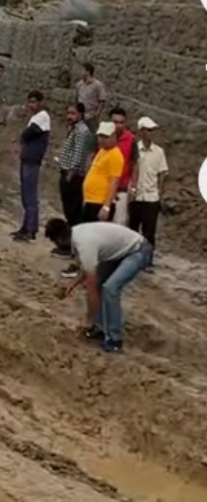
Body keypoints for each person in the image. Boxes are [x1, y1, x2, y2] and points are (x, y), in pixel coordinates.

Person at [45, 217, 153, 353]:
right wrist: (71, 285)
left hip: (138, 250)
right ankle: (99, 329)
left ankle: (114, 340)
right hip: (118, 252)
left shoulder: (84, 244)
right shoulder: (76, 234)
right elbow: (87, 268)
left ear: (59, 239)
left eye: (54, 241)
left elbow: (92, 293)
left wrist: (89, 321)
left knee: (110, 288)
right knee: (98, 284)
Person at [127, 116, 168, 268]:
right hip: (136, 196)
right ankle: (130, 259)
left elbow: (163, 173)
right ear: (141, 131)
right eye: (148, 130)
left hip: (151, 197)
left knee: (149, 232)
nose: (151, 133)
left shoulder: (159, 152)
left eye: (152, 130)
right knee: (132, 229)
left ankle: (147, 261)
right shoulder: (134, 150)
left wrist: (160, 192)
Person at [12, 91, 51, 243]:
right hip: (27, 159)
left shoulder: (42, 116)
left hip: (32, 160)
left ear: (41, 102)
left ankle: (30, 229)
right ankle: (26, 226)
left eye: (34, 102)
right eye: (30, 102)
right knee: (25, 195)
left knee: (30, 196)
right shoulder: (36, 117)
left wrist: (21, 138)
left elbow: (29, 133)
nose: (31, 105)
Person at [56, 101, 96, 235]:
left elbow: (78, 155)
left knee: (73, 211)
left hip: (74, 176)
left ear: (81, 114)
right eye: (68, 113)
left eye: (73, 113)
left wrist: (69, 175)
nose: (69, 116)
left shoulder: (81, 131)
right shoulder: (74, 129)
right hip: (69, 173)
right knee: (70, 209)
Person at [81, 120, 124, 223]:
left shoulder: (115, 155)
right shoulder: (102, 151)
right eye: (100, 136)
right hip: (91, 201)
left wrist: (106, 206)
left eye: (105, 137)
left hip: (100, 202)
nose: (102, 140)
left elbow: (114, 182)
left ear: (113, 136)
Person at [110, 107, 138, 224]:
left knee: (119, 222)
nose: (118, 126)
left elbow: (135, 163)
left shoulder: (131, 139)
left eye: (121, 122)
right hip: (103, 187)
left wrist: (133, 186)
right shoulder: (102, 137)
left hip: (122, 187)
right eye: (115, 122)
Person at [75, 64, 106, 131]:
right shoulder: (79, 85)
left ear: (88, 72)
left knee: (92, 133)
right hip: (81, 115)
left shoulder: (97, 85)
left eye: (82, 70)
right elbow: (77, 98)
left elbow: (102, 100)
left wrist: (97, 113)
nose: (80, 72)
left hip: (91, 115)